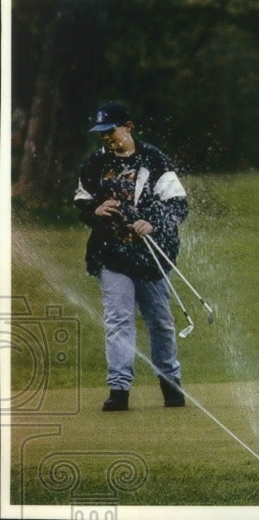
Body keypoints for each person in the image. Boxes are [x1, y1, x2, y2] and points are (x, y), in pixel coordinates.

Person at [74, 101, 188, 411]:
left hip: (152, 257)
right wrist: (94, 210)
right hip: (111, 254)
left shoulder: (156, 160)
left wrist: (152, 223)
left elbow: (179, 205)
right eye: (102, 135)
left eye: (110, 132)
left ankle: (171, 384)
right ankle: (119, 389)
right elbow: (82, 201)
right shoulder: (94, 164)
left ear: (128, 126)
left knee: (160, 322)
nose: (107, 139)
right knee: (118, 319)